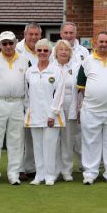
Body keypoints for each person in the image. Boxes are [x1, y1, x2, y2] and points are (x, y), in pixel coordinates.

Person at [76, 31, 107, 185]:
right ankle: (90, 173)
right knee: (91, 142)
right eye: (101, 42)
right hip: (91, 111)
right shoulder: (87, 61)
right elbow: (81, 87)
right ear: (95, 43)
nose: (104, 44)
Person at [0, 31, 29, 186]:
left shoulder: (25, 60)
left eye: (11, 43)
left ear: (16, 43)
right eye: (5, 43)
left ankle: (13, 174)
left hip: (17, 103)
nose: (8, 46)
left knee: (16, 140)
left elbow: (29, 85)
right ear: (0, 45)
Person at [25, 39, 66, 186]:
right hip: (35, 114)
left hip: (51, 117)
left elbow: (59, 94)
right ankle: (39, 175)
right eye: (40, 50)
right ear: (36, 52)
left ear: (50, 53)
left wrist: (53, 114)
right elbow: (27, 94)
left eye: (45, 51)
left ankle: (50, 175)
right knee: (37, 146)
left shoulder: (56, 71)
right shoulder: (30, 71)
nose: (42, 53)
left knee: (50, 146)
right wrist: (29, 110)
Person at [52, 40, 80, 181]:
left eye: (66, 50)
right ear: (56, 52)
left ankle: (67, 171)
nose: (63, 52)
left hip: (70, 106)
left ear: (70, 52)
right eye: (60, 49)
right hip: (55, 107)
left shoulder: (76, 67)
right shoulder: (51, 67)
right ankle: (55, 170)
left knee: (68, 140)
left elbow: (79, 89)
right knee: (54, 140)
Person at [18, 22, 43, 180]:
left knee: (35, 137)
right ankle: (20, 169)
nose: (33, 37)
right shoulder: (17, 50)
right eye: (31, 34)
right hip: (21, 100)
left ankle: (32, 167)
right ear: (25, 34)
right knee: (20, 137)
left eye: (36, 34)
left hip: (40, 101)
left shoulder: (46, 49)